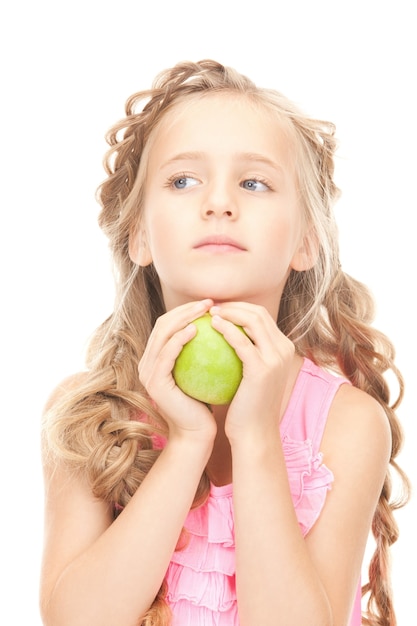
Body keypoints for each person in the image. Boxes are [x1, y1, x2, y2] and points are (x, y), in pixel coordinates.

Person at [40, 59, 409, 626]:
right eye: (183, 180)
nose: (218, 203)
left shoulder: (346, 425)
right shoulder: (93, 415)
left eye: (254, 182)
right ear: (139, 233)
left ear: (305, 242)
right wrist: (188, 442)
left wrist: (257, 439)